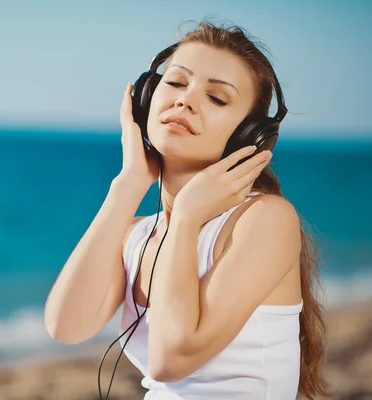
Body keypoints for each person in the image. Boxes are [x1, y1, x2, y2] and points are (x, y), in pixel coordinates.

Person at [44, 20, 330, 400]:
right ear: (146, 98)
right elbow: (66, 326)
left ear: (250, 135)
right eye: (176, 82)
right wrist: (127, 184)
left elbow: (171, 359)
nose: (185, 100)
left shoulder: (265, 220)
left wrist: (186, 219)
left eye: (217, 98)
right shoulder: (136, 235)